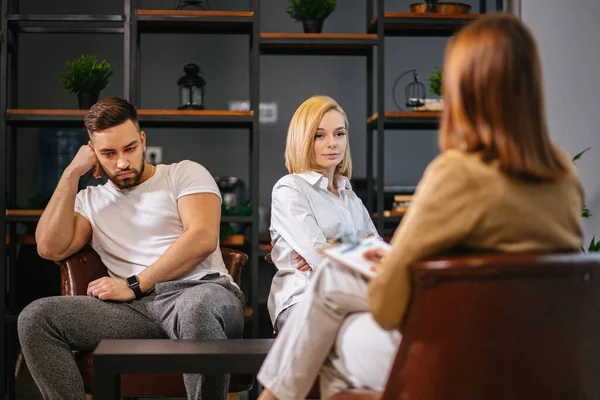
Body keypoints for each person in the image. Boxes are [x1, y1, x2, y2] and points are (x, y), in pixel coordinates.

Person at [257, 13, 584, 400]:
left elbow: (389, 300)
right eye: (321, 135)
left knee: (327, 316)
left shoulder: (456, 175)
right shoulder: (563, 177)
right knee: (330, 309)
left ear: (460, 90)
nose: (333, 142)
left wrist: (346, 259)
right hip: (537, 351)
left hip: (460, 352)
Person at [17, 97, 245, 400]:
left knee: (197, 309)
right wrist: (72, 173)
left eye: (129, 149)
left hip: (200, 293)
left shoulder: (182, 174)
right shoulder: (91, 200)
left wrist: (134, 284)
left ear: (142, 140)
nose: (122, 162)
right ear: (93, 153)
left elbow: (202, 238)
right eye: (108, 153)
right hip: (134, 312)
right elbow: (49, 247)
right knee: (36, 318)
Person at [267, 95, 380, 332]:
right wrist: (356, 246)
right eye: (320, 135)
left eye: (339, 134)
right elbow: (320, 258)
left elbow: (378, 251)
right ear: (303, 139)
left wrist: (334, 245)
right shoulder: (289, 188)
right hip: (302, 299)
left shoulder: (349, 195)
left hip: (353, 295)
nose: (333, 143)